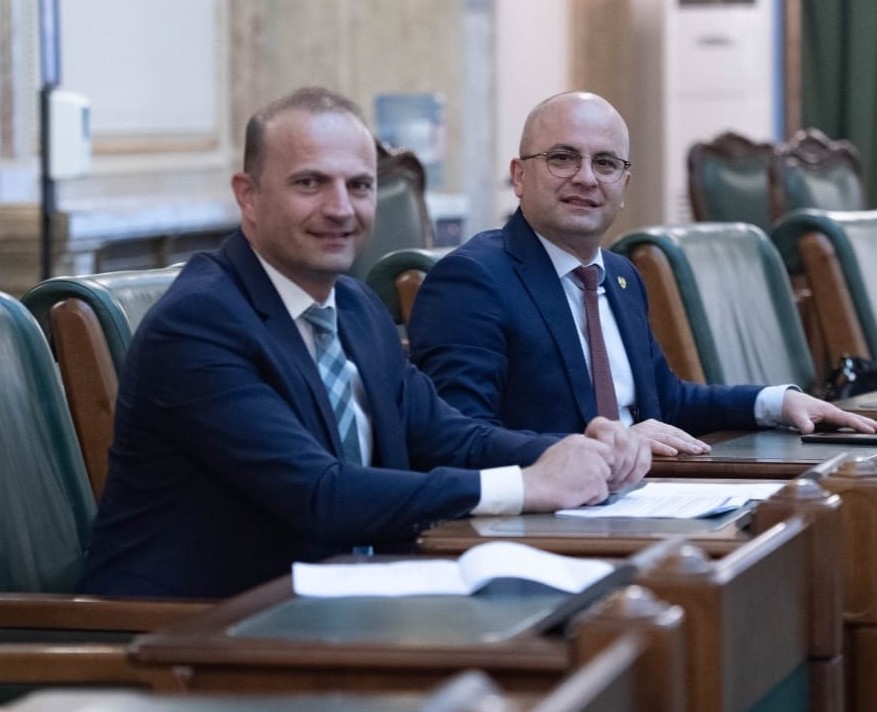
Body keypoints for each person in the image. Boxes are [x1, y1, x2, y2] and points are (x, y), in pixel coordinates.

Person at [78, 87, 650, 599]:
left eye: (359, 186)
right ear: (248, 196)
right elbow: (320, 494)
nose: (339, 209)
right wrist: (525, 485)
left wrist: (575, 451)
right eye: (309, 183)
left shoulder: (354, 308)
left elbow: (449, 436)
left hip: (345, 601)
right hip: (190, 632)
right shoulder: (200, 321)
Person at [408, 91, 876, 455]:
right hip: (547, 519)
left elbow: (668, 402)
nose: (586, 178)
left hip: (651, 494)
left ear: (624, 185)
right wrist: (608, 449)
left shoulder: (620, 275)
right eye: (562, 158)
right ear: (519, 176)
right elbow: (459, 438)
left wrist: (776, 403)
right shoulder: (472, 280)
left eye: (605, 163)